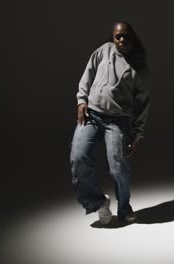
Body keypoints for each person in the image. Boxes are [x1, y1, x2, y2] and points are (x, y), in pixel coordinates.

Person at [69, 21, 150, 224]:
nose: (121, 39)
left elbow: (143, 104)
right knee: (78, 157)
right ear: (112, 38)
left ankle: (124, 207)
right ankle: (97, 202)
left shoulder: (137, 68)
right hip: (91, 114)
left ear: (132, 37)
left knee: (117, 166)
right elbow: (86, 76)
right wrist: (81, 101)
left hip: (117, 120)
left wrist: (137, 134)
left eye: (125, 36)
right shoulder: (103, 51)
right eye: (117, 36)